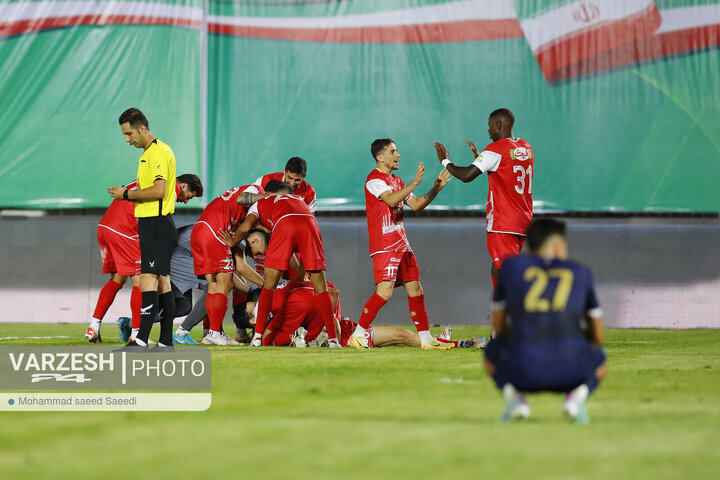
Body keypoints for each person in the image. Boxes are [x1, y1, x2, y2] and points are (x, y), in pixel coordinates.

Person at [483, 218, 607, 424]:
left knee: (492, 350)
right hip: (570, 372)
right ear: (558, 245)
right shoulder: (580, 271)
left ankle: (516, 401)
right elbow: (598, 335)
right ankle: (576, 399)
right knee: (599, 357)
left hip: (522, 373)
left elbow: (499, 328)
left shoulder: (511, 268)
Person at [347, 138, 453, 350]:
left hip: (402, 244)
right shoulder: (374, 180)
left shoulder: (396, 181)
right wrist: (414, 183)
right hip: (384, 245)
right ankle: (357, 336)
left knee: (416, 289)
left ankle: (425, 340)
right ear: (380, 157)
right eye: (393, 151)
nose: (398, 155)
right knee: (385, 292)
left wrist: (435, 189)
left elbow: (416, 204)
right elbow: (391, 200)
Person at [221, 180, 341, 348]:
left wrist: (233, 241)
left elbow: (245, 227)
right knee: (321, 287)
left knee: (269, 285)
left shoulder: (261, 202)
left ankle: (256, 338)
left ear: (269, 192)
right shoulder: (298, 199)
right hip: (310, 223)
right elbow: (298, 252)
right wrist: (299, 279)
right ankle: (334, 339)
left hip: (285, 224)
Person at [87, 173, 202, 343]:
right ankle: (136, 334)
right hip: (125, 230)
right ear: (183, 186)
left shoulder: (149, 180)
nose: (185, 201)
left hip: (105, 227)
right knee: (141, 281)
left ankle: (94, 326)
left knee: (117, 279)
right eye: (188, 197)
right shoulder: (171, 187)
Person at [434, 108, 534, 290]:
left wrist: (445, 161)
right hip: (522, 221)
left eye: (490, 127)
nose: (488, 131)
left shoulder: (495, 150)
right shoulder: (525, 147)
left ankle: (518, 315)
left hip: (502, 223)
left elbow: (466, 176)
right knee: (498, 268)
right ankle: (499, 310)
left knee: (508, 274)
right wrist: (481, 158)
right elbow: (506, 169)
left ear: (498, 125)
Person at [109, 107, 179, 350]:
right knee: (163, 283)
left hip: (157, 224)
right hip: (154, 224)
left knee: (147, 279)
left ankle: (140, 339)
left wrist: (127, 194)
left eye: (129, 134)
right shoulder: (150, 152)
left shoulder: (157, 152)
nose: (127, 140)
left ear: (142, 128)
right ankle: (166, 341)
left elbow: (159, 191)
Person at [189, 183, 266, 345]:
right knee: (225, 283)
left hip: (200, 231)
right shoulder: (257, 191)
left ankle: (211, 334)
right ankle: (215, 333)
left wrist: (263, 283)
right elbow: (242, 198)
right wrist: (269, 196)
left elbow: (241, 266)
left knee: (214, 286)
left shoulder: (239, 224)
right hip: (215, 231)